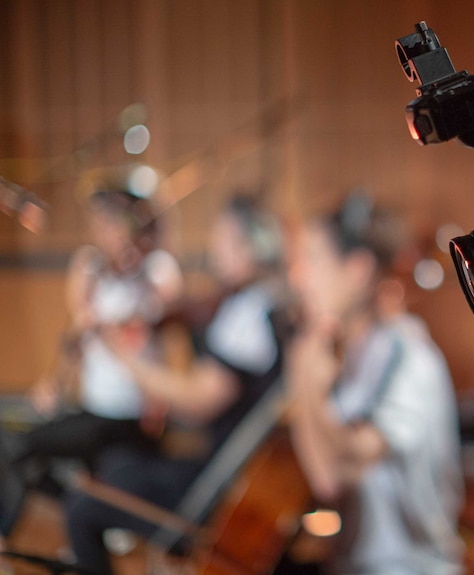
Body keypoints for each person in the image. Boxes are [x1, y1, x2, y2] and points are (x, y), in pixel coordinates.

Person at [63, 193, 290, 575]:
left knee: (81, 507)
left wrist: (126, 358)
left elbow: (196, 401)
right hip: (223, 470)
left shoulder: (252, 315)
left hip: (224, 492)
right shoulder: (255, 303)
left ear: (249, 249)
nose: (214, 251)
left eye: (222, 241)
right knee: (117, 467)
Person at [286, 193, 465, 575]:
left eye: (314, 259)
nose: (299, 277)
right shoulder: (342, 356)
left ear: (358, 270)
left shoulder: (409, 359)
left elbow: (337, 474)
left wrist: (305, 384)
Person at [0, 185, 183, 538]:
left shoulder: (155, 268)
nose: (101, 233)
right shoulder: (91, 267)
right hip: (95, 408)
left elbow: (167, 309)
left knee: (25, 449)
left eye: (109, 224)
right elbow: (77, 338)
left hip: (134, 417)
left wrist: (143, 255)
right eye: (98, 225)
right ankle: (26, 531)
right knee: (20, 451)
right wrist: (55, 382)